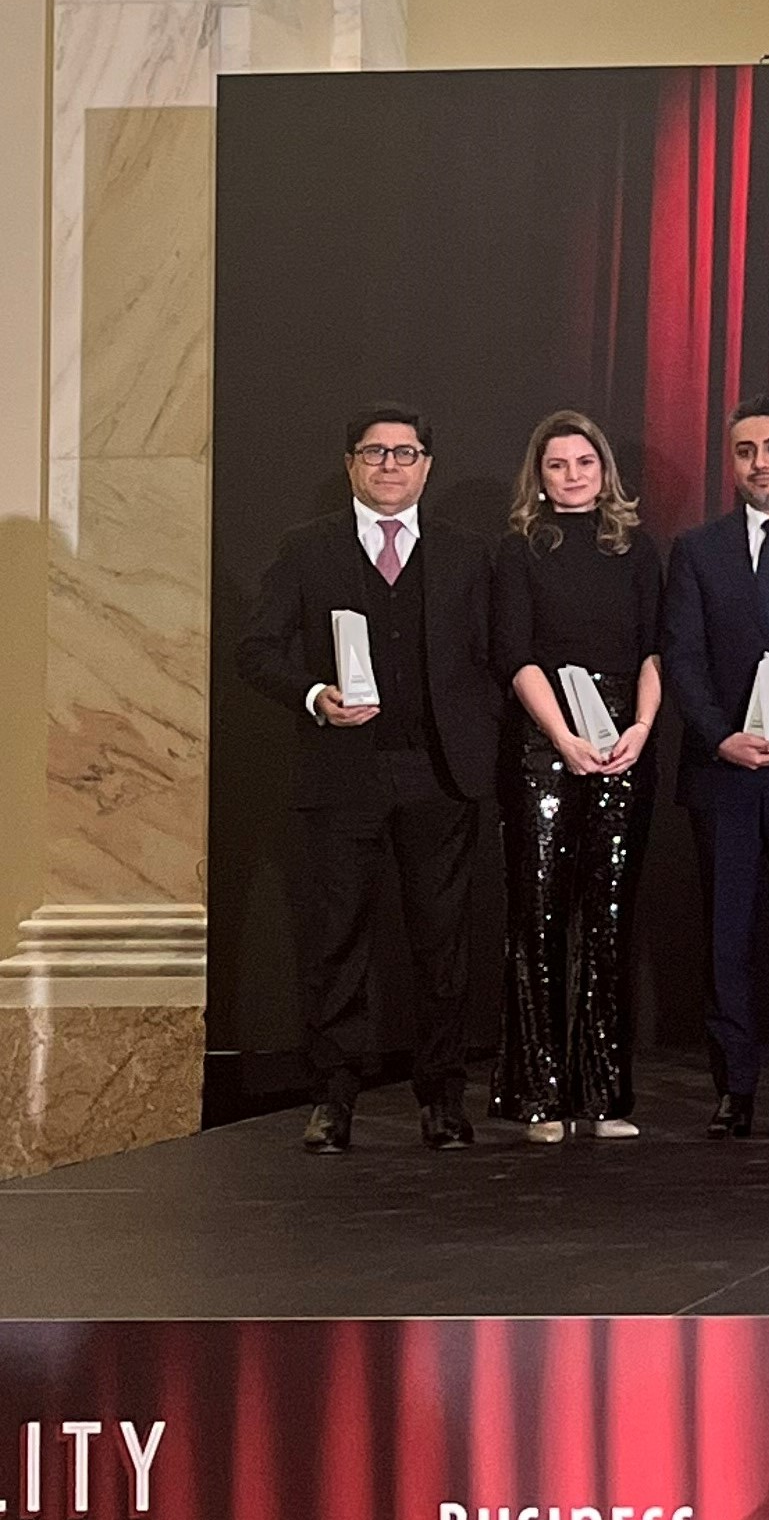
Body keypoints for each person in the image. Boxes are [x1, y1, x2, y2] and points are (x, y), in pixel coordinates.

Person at [236, 406, 502, 1154]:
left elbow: (496, 656)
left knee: (443, 944)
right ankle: (332, 1099)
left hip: (439, 773)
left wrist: (475, 728)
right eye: (375, 452)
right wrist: (312, 695)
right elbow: (256, 649)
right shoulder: (306, 548)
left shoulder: (467, 553)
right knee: (335, 940)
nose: (390, 465)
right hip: (341, 771)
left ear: (427, 466)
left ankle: (442, 1099)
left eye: (405, 452)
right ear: (350, 463)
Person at [662, 394, 769, 1140]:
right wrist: (719, 737)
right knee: (725, 938)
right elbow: (682, 658)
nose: (760, 464)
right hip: (724, 772)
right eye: (745, 451)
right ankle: (733, 1089)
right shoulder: (697, 550)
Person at [489, 411, 664, 1142]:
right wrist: (562, 735)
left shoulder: (636, 547)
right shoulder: (520, 548)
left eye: (583, 462)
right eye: (557, 464)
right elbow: (514, 654)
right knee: (539, 915)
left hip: (624, 739)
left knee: (610, 917)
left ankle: (602, 1098)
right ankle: (540, 1097)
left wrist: (640, 731)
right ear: (539, 474)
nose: (571, 476)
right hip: (545, 739)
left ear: (604, 470)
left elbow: (655, 651)